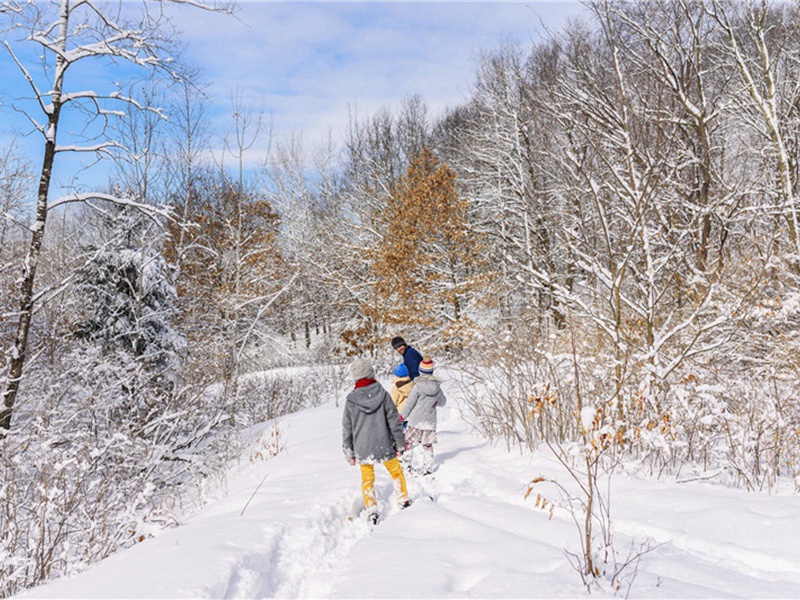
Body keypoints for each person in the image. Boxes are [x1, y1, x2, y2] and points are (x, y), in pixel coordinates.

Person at [342, 358, 411, 525]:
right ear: (371, 373)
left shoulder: (351, 400)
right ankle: (403, 500)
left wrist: (349, 452)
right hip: (384, 444)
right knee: (396, 472)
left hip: (363, 448)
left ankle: (372, 509)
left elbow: (347, 428)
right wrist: (400, 444)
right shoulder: (383, 394)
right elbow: (394, 422)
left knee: (367, 478)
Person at [400, 356, 447, 475]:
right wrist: (435, 401)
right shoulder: (437, 388)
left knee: (409, 443)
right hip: (429, 422)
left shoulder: (417, 387)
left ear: (420, 372)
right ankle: (428, 468)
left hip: (415, 421)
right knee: (427, 445)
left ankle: (406, 466)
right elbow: (443, 402)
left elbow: (410, 403)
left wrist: (402, 416)